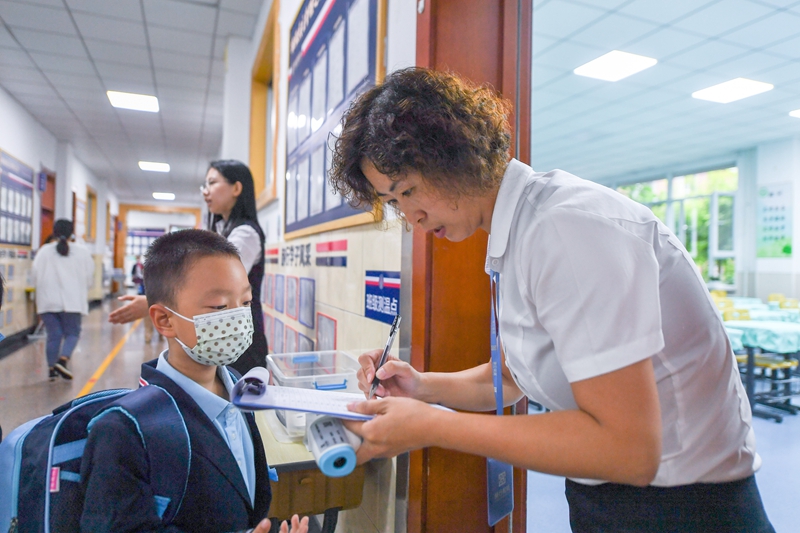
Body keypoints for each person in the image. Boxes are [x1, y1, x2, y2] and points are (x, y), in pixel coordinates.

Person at [330, 68, 775, 532]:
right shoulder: (517, 230)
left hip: (683, 508)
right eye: (395, 202)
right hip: (610, 495)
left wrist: (431, 425)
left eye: (408, 191)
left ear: (451, 154)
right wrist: (424, 387)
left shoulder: (566, 228)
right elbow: (508, 378)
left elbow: (628, 449)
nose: (413, 217)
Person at [80, 229, 308, 533]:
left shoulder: (238, 387)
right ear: (164, 320)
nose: (239, 319)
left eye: (245, 302)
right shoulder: (123, 432)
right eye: (219, 307)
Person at [109, 161, 268, 376]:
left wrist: (157, 300)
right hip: (219, 337)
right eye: (204, 185)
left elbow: (212, 281)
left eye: (212, 183)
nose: (206, 192)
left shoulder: (245, 234)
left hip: (236, 336)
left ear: (236, 188)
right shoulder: (222, 229)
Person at [32, 219, 94, 381]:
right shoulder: (82, 252)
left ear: (54, 231)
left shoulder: (44, 251)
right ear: (72, 232)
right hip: (72, 302)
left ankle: (52, 370)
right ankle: (63, 359)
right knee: (72, 334)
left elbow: (34, 275)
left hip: (47, 301)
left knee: (54, 335)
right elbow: (89, 278)